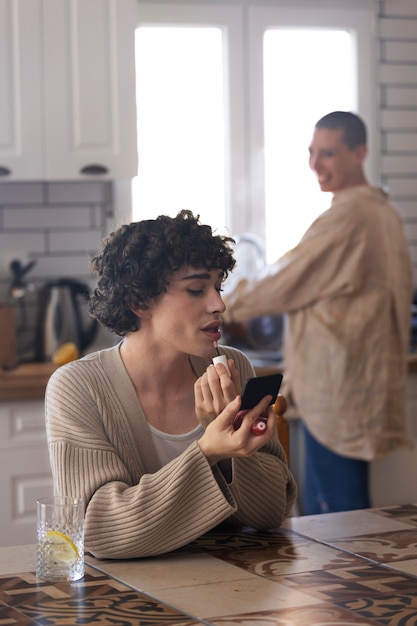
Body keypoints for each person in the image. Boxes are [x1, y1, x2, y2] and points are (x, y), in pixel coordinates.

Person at [45, 210, 297, 559]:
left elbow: (270, 515)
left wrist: (238, 446)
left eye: (217, 287)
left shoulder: (231, 366)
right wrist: (209, 451)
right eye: (196, 290)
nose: (219, 304)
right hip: (129, 600)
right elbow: (98, 531)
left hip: (239, 587)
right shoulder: (79, 387)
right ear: (139, 302)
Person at [223, 111, 413, 515]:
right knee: (349, 518)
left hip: (337, 389)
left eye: (327, 153)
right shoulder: (382, 212)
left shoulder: (348, 216)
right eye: (312, 152)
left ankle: (348, 581)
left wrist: (224, 305)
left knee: (337, 523)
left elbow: (285, 280)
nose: (315, 164)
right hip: (358, 383)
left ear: (359, 153)